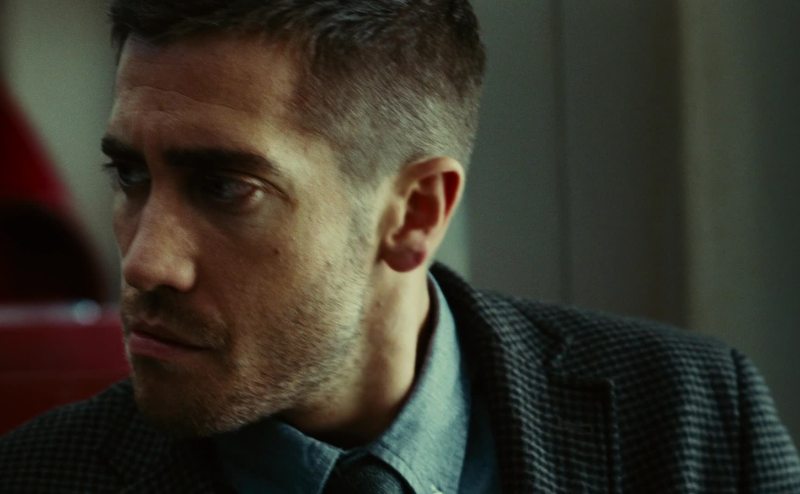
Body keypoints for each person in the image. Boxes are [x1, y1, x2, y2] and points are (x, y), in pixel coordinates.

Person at [1, 1, 798, 492]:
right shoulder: (40, 477)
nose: (145, 261)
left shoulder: (691, 420)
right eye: (131, 175)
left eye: (224, 188)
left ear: (415, 212)